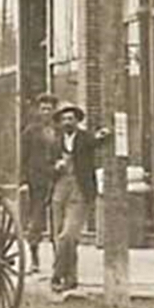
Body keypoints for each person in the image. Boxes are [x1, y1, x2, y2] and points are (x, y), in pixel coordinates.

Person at [49, 102, 110, 294]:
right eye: (64, 119)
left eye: (71, 118)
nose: (67, 122)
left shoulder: (85, 138)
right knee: (59, 239)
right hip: (59, 191)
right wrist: (56, 167)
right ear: (59, 122)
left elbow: (98, 140)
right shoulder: (55, 142)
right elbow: (44, 168)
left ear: (77, 121)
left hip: (80, 191)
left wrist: (107, 132)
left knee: (68, 235)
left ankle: (57, 274)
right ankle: (71, 278)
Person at [19, 93, 59, 274]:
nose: (46, 112)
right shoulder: (30, 132)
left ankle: (59, 262)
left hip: (57, 179)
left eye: (49, 109)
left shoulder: (60, 131)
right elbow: (23, 158)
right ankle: (34, 259)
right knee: (36, 221)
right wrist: (24, 181)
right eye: (43, 108)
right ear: (38, 110)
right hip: (37, 181)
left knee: (58, 222)